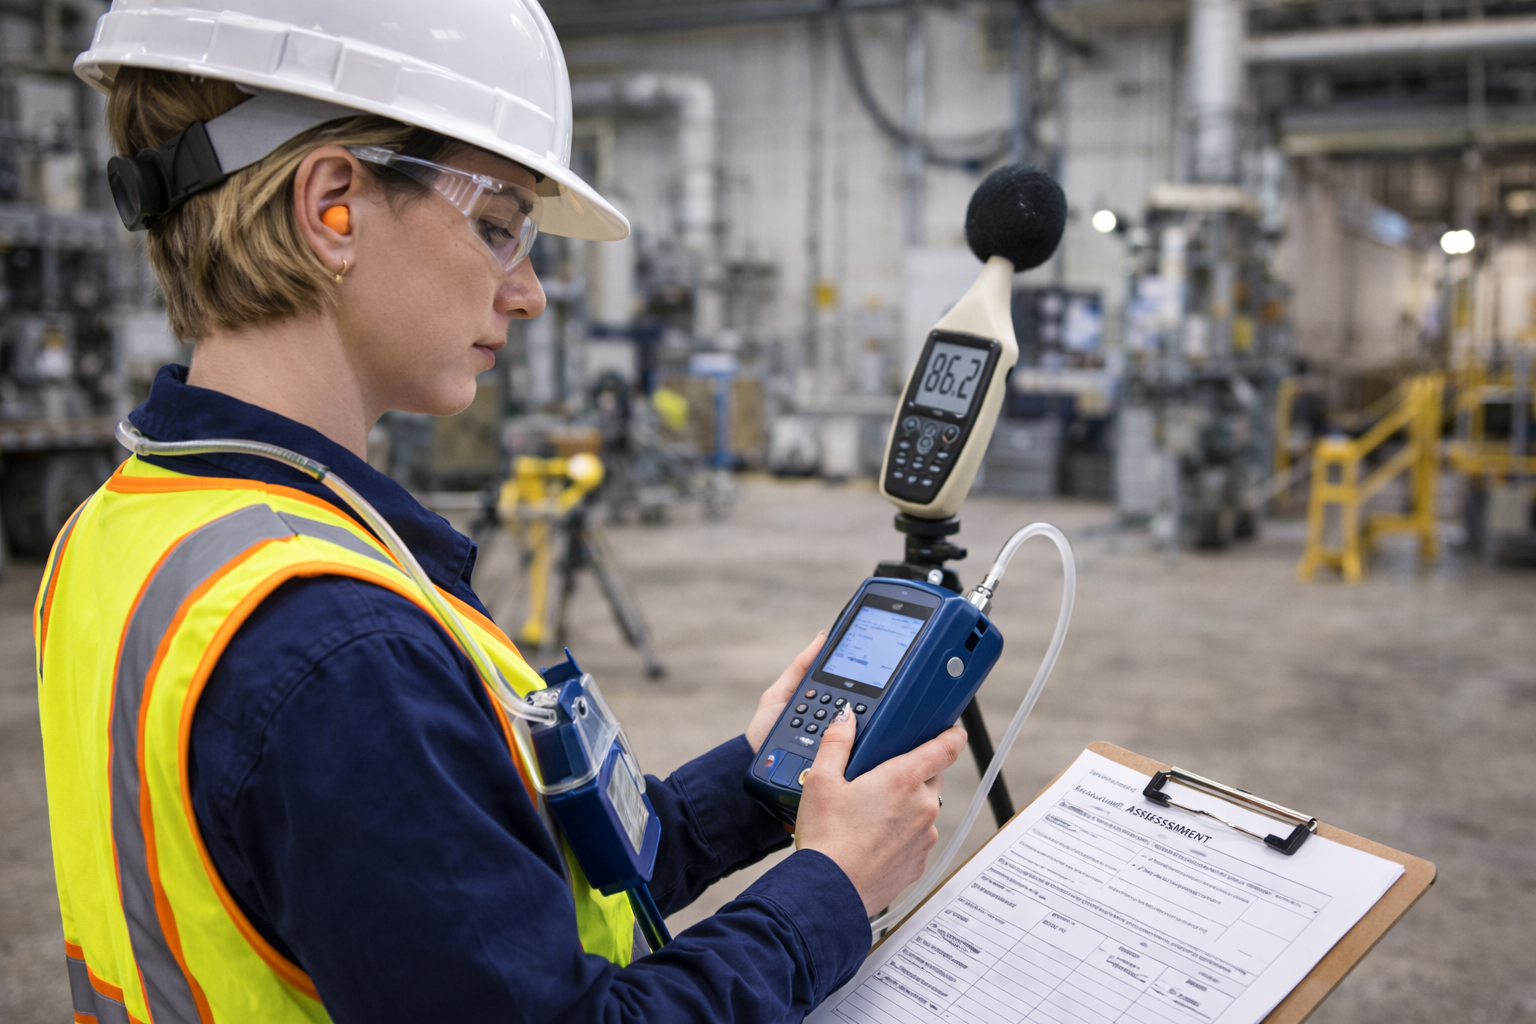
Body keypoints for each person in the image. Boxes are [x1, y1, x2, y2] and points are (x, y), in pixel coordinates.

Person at [34, 3, 966, 1023]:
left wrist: (756, 785)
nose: (529, 293)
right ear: (332, 205)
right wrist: (828, 890)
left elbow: (480, 884)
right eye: (497, 225)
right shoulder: (338, 648)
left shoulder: (126, 530)